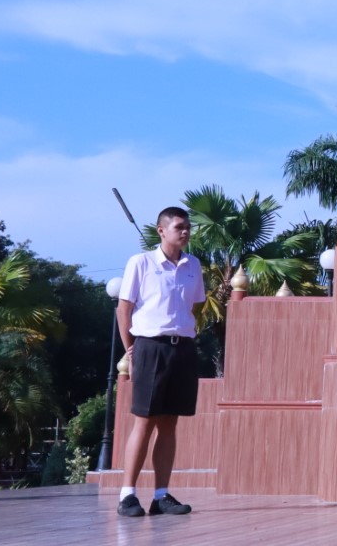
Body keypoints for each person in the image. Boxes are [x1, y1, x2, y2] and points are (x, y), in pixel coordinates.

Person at [115, 207, 207, 518]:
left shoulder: (193, 265)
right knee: (145, 420)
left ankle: (161, 495)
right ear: (161, 231)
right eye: (179, 227)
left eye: (188, 227)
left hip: (183, 348)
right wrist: (131, 349)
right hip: (150, 347)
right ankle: (127, 495)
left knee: (170, 422)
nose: (185, 232)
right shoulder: (140, 262)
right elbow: (124, 309)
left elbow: (194, 305)